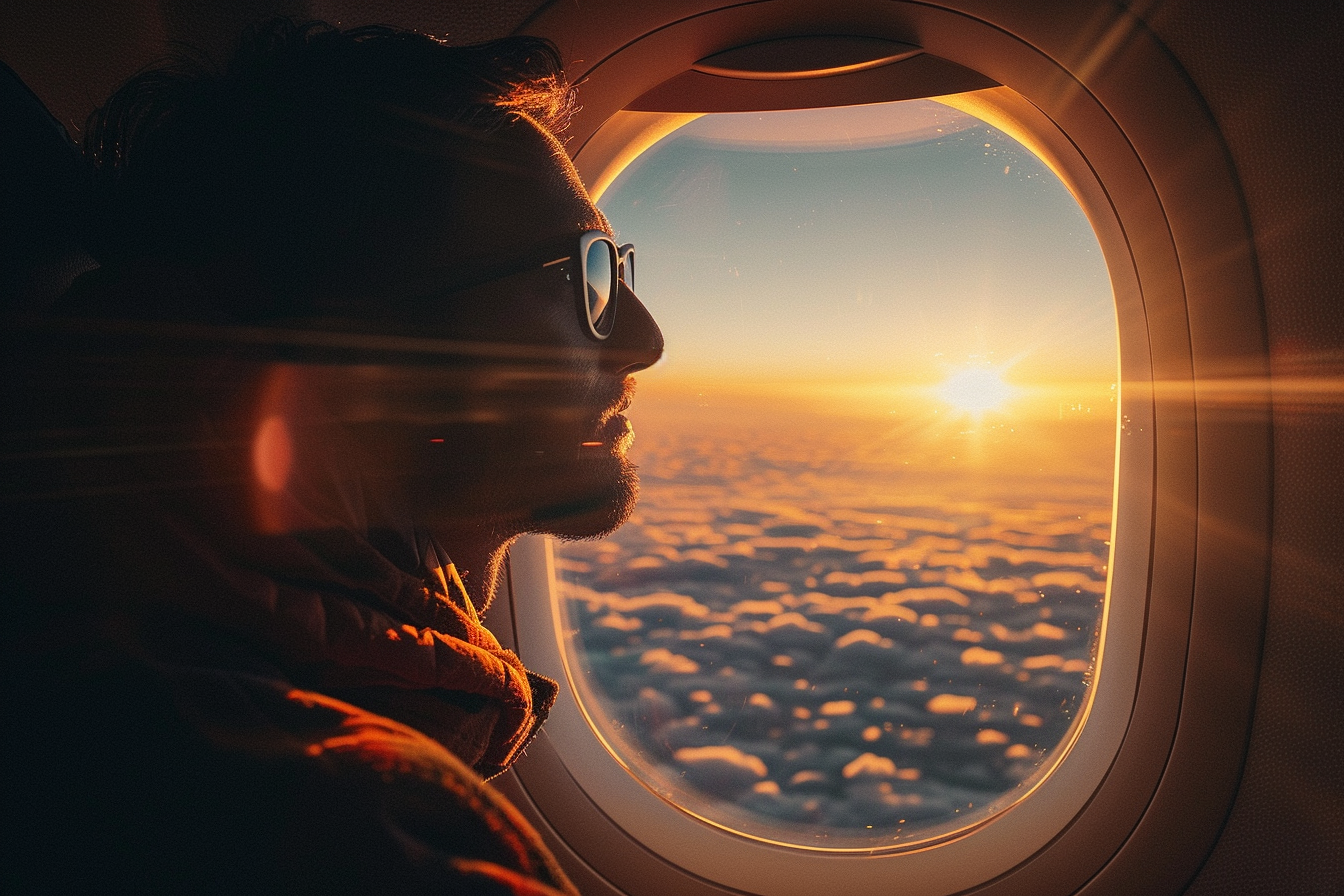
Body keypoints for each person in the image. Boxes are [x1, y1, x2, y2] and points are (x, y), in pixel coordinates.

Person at [2, 18, 661, 894]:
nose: (645, 339)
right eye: (582, 276)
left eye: (613, 268)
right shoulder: (349, 818)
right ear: (357, 356)